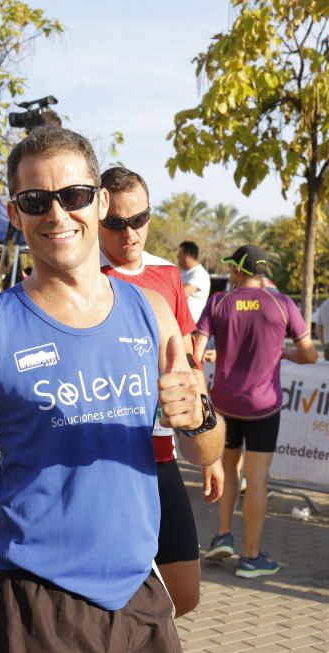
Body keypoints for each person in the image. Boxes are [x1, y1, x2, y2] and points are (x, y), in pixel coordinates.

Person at [0, 127, 224, 653]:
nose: (57, 214)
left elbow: (204, 450)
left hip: (140, 587)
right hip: (39, 597)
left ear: (99, 201)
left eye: (73, 196)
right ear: (14, 213)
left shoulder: (152, 312)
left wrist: (201, 419)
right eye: (36, 201)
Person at [98, 166, 224, 616]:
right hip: (105, 457)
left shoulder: (169, 275)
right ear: (96, 218)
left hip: (161, 452)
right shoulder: (85, 276)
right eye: (115, 223)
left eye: (139, 220)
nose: (129, 233)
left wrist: (208, 447)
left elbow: (187, 361)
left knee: (184, 594)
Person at [195, 244, 318, 578]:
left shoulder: (218, 302)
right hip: (264, 406)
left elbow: (196, 351)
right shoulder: (281, 304)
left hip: (225, 403)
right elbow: (311, 355)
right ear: (263, 272)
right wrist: (283, 354)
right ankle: (250, 557)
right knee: (258, 477)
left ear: (236, 270)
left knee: (229, 467)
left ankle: (223, 535)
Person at [177, 241, 211, 325]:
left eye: (179, 254)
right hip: (180, 325)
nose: (177, 257)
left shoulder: (199, 273)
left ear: (187, 256)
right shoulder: (183, 272)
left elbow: (182, 293)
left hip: (192, 327)